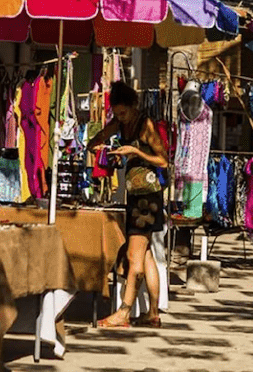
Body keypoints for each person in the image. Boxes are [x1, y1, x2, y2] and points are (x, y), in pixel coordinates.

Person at [88, 82, 168, 328]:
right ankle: (152, 313)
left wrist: (136, 152)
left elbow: (163, 160)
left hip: (148, 197)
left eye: (123, 113)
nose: (120, 117)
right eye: (117, 113)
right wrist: (100, 144)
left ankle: (124, 311)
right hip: (135, 195)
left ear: (133, 106)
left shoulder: (146, 125)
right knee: (145, 255)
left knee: (134, 256)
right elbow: (95, 139)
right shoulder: (121, 124)